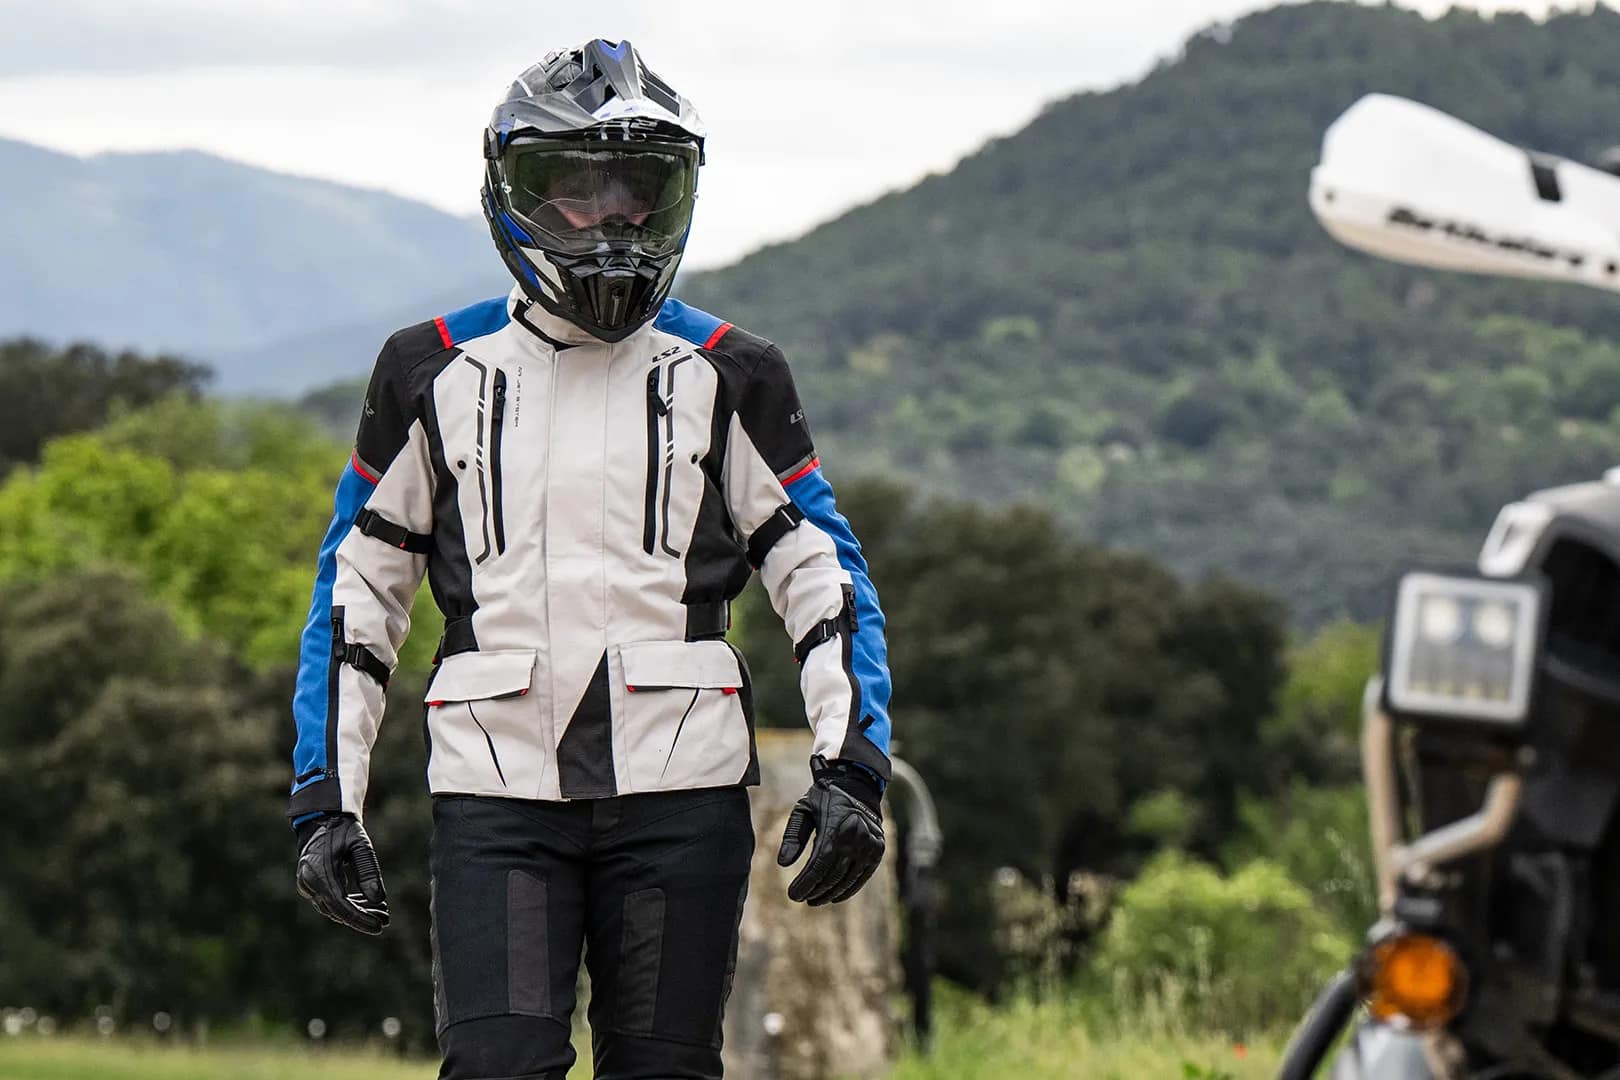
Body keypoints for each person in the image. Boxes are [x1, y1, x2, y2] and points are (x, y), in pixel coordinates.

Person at [286, 39, 893, 1080]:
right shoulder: (427, 369)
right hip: (496, 795)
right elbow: (360, 590)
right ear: (512, 191)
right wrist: (323, 800)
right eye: (575, 189)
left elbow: (821, 572)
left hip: (683, 794)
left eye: (637, 191)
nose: (611, 221)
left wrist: (855, 765)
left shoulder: (733, 372)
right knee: (497, 1067)